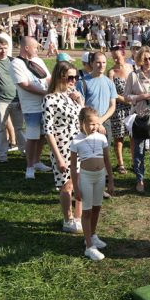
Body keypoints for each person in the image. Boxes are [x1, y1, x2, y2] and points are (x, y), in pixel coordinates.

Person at [43, 61, 84, 234]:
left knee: (80, 184)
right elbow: (47, 131)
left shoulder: (72, 95)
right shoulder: (49, 99)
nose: (74, 81)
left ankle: (78, 218)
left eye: (76, 77)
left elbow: (83, 119)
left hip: (79, 146)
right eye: (71, 77)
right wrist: (58, 156)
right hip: (62, 147)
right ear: (61, 76)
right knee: (66, 186)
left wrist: (80, 101)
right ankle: (67, 219)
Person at [70, 107, 111, 261]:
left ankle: (92, 235)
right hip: (86, 178)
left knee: (97, 207)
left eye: (96, 124)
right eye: (91, 124)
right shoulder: (76, 141)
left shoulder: (102, 138)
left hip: (100, 177)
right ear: (82, 123)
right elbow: (73, 167)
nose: (95, 127)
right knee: (86, 212)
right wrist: (76, 187)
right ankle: (89, 247)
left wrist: (111, 181)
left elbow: (107, 160)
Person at [12, 36, 52, 179]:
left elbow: (48, 78)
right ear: (26, 48)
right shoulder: (16, 63)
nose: (38, 49)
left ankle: (37, 161)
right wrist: (46, 92)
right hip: (31, 106)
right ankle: (29, 167)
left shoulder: (38, 60)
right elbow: (25, 84)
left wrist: (54, 88)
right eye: (35, 47)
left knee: (42, 135)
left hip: (45, 105)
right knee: (32, 137)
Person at [77, 51, 117, 195]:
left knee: (104, 156)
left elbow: (112, 105)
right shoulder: (83, 83)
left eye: (104, 62)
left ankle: (104, 184)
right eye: (98, 62)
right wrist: (93, 123)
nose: (101, 65)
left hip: (104, 123)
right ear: (92, 63)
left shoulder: (109, 83)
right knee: (89, 155)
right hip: (88, 125)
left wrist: (100, 121)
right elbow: (81, 105)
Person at [126, 46, 150, 193]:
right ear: (139, 60)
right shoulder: (133, 76)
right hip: (140, 118)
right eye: (145, 59)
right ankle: (140, 179)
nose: (148, 61)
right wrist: (142, 97)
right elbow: (126, 96)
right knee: (139, 151)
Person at [0, 37, 25, 163]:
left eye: (5, 48)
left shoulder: (14, 61)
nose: (3, 51)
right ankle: (2, 155)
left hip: (16, 100)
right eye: (0, 48)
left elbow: (22, 80)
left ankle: (26, 152)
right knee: (0, 128)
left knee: (19, 128)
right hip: (0, 100)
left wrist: (22, 99)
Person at [108, 45, 133, 175]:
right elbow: (112, 93)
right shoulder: (111, 72)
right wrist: (126, 100)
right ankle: (120, 164)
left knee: (134, 136)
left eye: (117, 57)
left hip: (133, 108)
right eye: (113, 58)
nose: (116, 60)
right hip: (118, 109)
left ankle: (135, 162)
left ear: (124, 54)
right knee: (119, 138)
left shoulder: (131, 68)